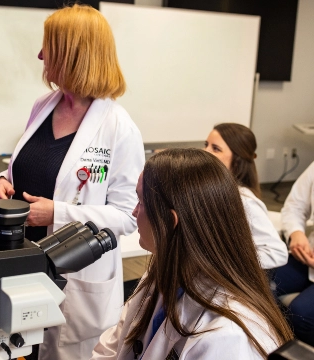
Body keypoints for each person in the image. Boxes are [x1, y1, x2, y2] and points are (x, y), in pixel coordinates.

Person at [0, 4, 145, 359]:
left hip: (77, 276)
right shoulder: (43, 105)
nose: (40, 54)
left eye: (50, 46)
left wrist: (56, 214)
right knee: (19, 346)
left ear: (75, 54)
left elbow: (127, 215)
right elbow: (26, 168)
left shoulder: (120, 129)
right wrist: (3, 180)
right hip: (23, 259)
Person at [91, 149, 294, 360]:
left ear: (170, 222)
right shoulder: (164, 270)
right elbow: (114, 345)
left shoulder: (228, 338)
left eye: (141, 201)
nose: (134, 212)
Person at [204, 123, 288, 269]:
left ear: (237, 160)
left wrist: (225, 262)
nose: (205, 152)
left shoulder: (244, 201)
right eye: (206, 145)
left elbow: (278, 253)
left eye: (215, 149)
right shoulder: (213, 190)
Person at [272, 160, 314, 346]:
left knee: (300, 314)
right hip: (306, 256)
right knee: (257, 282)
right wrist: (296, 233)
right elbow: (295, 206)